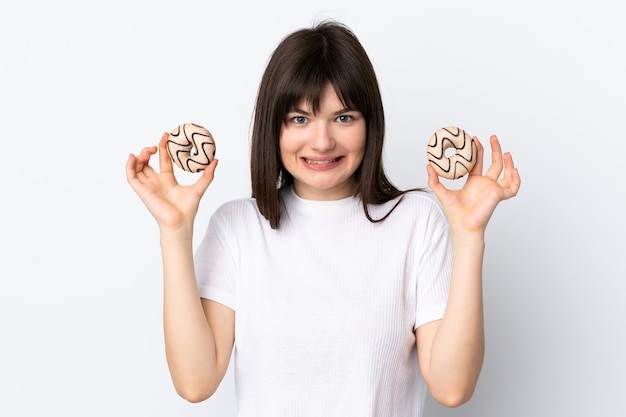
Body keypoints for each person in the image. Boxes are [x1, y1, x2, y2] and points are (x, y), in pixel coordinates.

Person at [126, 20, 520, 417]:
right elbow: (196, 382)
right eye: (299, 119)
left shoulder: (415, 222)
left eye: (344, 117)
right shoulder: (237, 227)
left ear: (371, 124)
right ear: (272, 128)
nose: (321, 141)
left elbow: (452, 388)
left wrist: (469, 235)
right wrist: (174, 232)